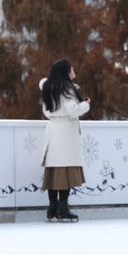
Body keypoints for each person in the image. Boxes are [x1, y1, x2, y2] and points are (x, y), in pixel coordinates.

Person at [39, 59, 91, 222]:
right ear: (65, 72)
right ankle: (63, 208)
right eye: (71, 68)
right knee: (66, 170)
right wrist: (85, 104)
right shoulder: (66, 88)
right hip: (66, 132)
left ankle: (52, 208)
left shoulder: (48, 88)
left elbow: (47, 111)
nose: (74, 69)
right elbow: (72, 111)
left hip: (53, 128)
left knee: (54, 170)